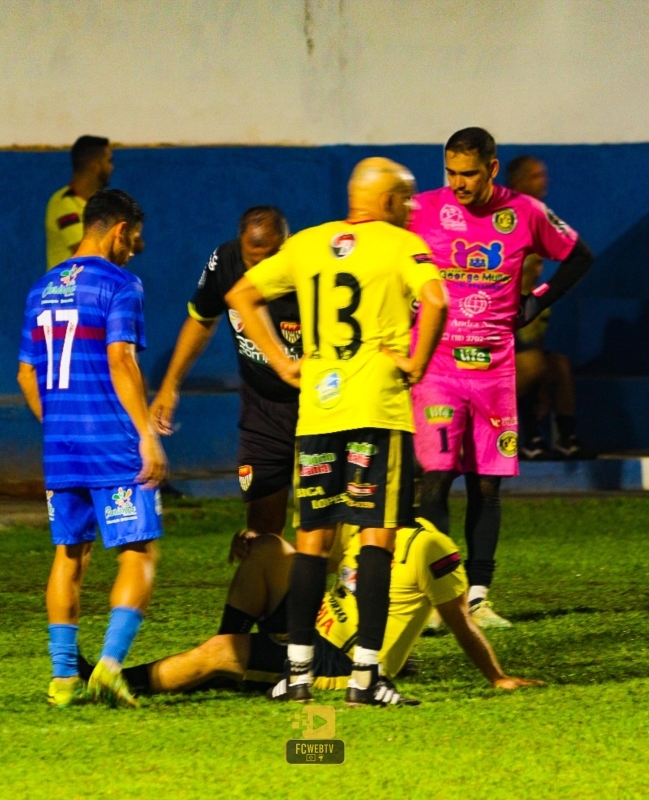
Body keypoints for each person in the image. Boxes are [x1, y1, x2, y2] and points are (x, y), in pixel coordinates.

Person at [226, 157, 448, 706]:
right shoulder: (400, 245)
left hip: (319, 413)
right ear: (391, 202)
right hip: (376, 409)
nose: (414, 207)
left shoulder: (307, 244)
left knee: (311, 542)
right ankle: (365, 680)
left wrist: (281, 362)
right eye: (409, 197)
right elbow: (438, 300)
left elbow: (240, 297)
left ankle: (296, 674)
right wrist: (417, 362)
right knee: (376, 539)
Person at [409, 128, 593, 629]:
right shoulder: (422, 209)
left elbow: (579, 256)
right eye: (451, 172)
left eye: (468, 173)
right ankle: (433, 599)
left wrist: (536, 301)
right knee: (435, 479)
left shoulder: (526, 213)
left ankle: (477, 598)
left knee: (487, 487)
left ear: (492, 168)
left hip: (493, 368)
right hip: (438, 367)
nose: (459, 183)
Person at [18, 189, 167, 709]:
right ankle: (107, 666)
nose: (137, 249)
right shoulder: (120, 284)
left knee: (69, 556)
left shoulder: (41, 289)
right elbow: (122, 359)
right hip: (113, 443)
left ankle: (62, 680)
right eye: (136, 238)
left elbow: (25, 372)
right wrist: (146, 434)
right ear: (119, 230)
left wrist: (59, 424)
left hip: (62, 448)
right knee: (139, 551)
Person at [107, 523, 541, 697]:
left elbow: (460, 620)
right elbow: (328, 567)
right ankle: (231, 672)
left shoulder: (429, 545)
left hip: (344, 661)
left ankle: (116, 682)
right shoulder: (360, 523)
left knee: (222, 650)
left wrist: (497, 677)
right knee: (269, 549)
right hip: (311, 631)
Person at [151, 207, 297, 538]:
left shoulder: (306, 270)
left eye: (268, 261)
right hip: (261, 408)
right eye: (251, 261)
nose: (257, 273)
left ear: (284, 248)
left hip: (313, 408)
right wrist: (170, 386)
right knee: (260, 526)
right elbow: (201, 320)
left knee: (319, 529)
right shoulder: (225, 260)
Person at [506, 155, 593, 460]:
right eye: (534, 176)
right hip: (489, 362)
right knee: (532, 365)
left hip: (523, 349)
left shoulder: (538, 300)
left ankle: (565, 439)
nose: (544, 181)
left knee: (555, 364)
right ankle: (524, 438)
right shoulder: (506, 222)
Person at [45, 135, 114, 271]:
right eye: (109, 161)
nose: (112, 167)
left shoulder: (100, 205)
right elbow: (87, 253)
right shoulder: (64, 203)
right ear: (94, 166)